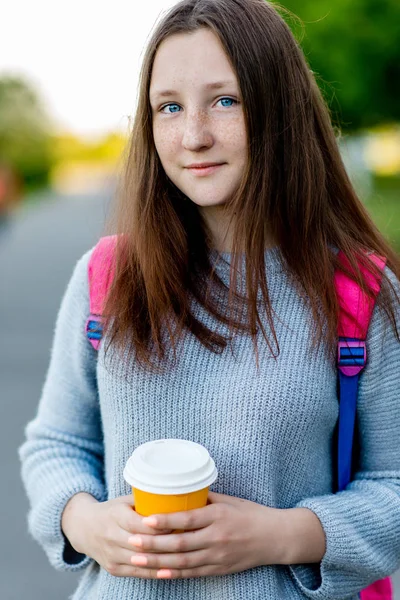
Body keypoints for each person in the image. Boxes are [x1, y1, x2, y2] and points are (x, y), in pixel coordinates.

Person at [19, 0, 400, 599]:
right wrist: (86, 523)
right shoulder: (108, 276)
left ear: (280, 108)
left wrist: (282, 536)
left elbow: (394, 483)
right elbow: (56, 445)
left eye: (225, 101)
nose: (193, 136)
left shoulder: (357, 293)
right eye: (169, 107)